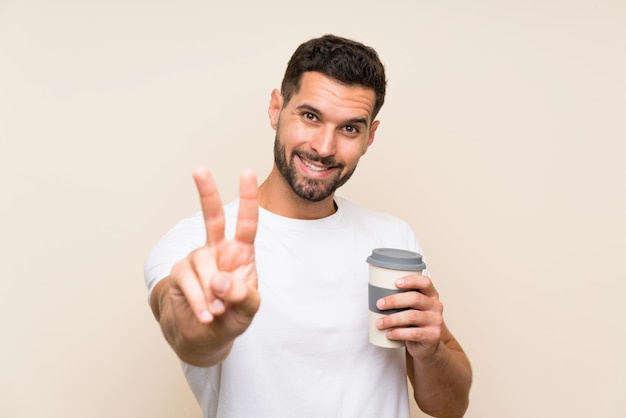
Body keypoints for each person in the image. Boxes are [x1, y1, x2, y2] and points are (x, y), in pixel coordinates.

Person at [144, 34, 472, 418]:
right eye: (310, 116)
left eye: (350, 128)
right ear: (275, 108)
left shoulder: (393, 240)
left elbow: (450, 407)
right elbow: (187, 334)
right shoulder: (197, 244)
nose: (324, 147)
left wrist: (430, 350)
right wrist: (208, 328)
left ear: (370, 136)